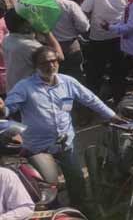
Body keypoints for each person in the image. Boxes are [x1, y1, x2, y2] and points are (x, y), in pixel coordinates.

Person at [0, 47, 123, 210]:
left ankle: (80, 208)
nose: (50, 65)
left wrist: (112, 115)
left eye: (53, 61)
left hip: (66, 143)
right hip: (38, 148)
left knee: (77, 179)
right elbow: (9, 108)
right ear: (35, 65)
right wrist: (3, 109)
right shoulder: (24, 87)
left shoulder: (68, 82)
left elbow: (90, 99)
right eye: (44, 62)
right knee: (48, 185)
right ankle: (55, 211)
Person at [80, 0, 129, 103]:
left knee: (95, 73)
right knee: (118, 72)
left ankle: (91, 105)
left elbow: (84, 10)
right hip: (119, 37)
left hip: (98, 38)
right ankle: (120, 102)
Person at [46, 0, 89, 81]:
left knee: (53, 78)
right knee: (75, 78)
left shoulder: (38, 6)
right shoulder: (69, 5)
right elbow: (84, 26)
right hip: (71, 47)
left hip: (48, 48)